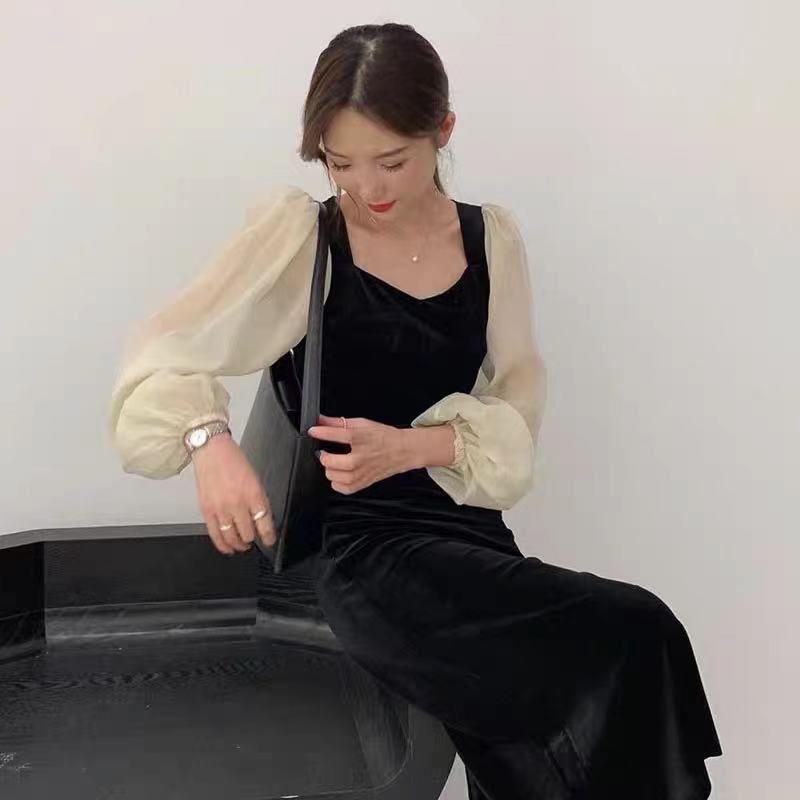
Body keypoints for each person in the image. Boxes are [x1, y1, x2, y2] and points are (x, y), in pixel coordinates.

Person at [107, 22, 722, 800]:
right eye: (340, 163)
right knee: (637, 630)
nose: (367, 186)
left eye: (392, 160)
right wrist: (209, 442)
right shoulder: (305, 238)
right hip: (361, 551)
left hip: (467, 532)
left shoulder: (490, 239)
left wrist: (414, 447)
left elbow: (518, 404)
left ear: (444, 131)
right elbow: (159, 352)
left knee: (560, 718)